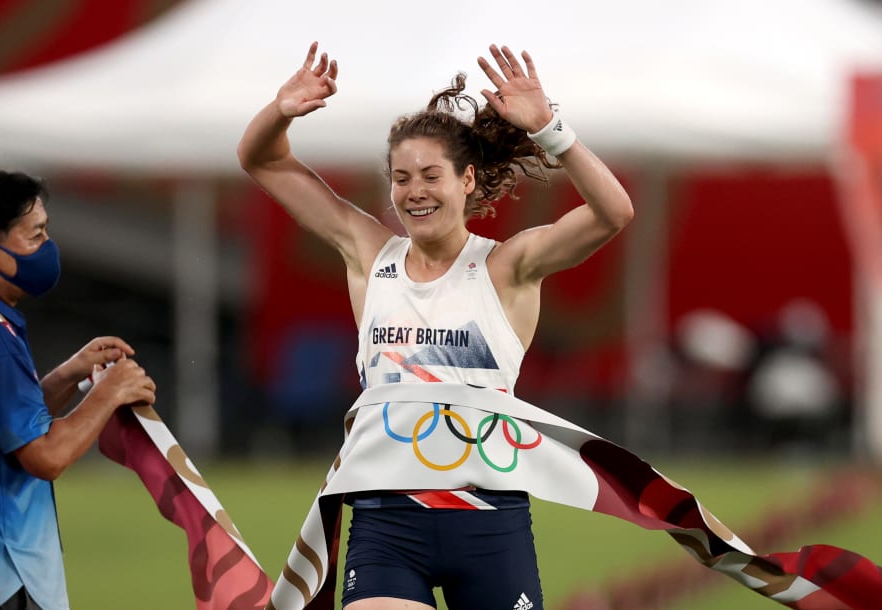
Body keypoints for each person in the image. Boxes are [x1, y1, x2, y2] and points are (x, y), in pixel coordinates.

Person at [239, 42, 633, 610]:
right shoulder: (369, 254)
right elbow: (263, 161)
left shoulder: (508, 265)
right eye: (401, 179)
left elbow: (613, 214)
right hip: (386, 524)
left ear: (467, 180)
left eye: (430, 176)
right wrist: (280, 110)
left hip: (490, 523)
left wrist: (551, 128)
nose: (415, 192)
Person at [0, 169, 158, 610]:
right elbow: (45, 455)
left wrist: (68, 376)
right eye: (36, 236)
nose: (48, 248)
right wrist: (108, 393)